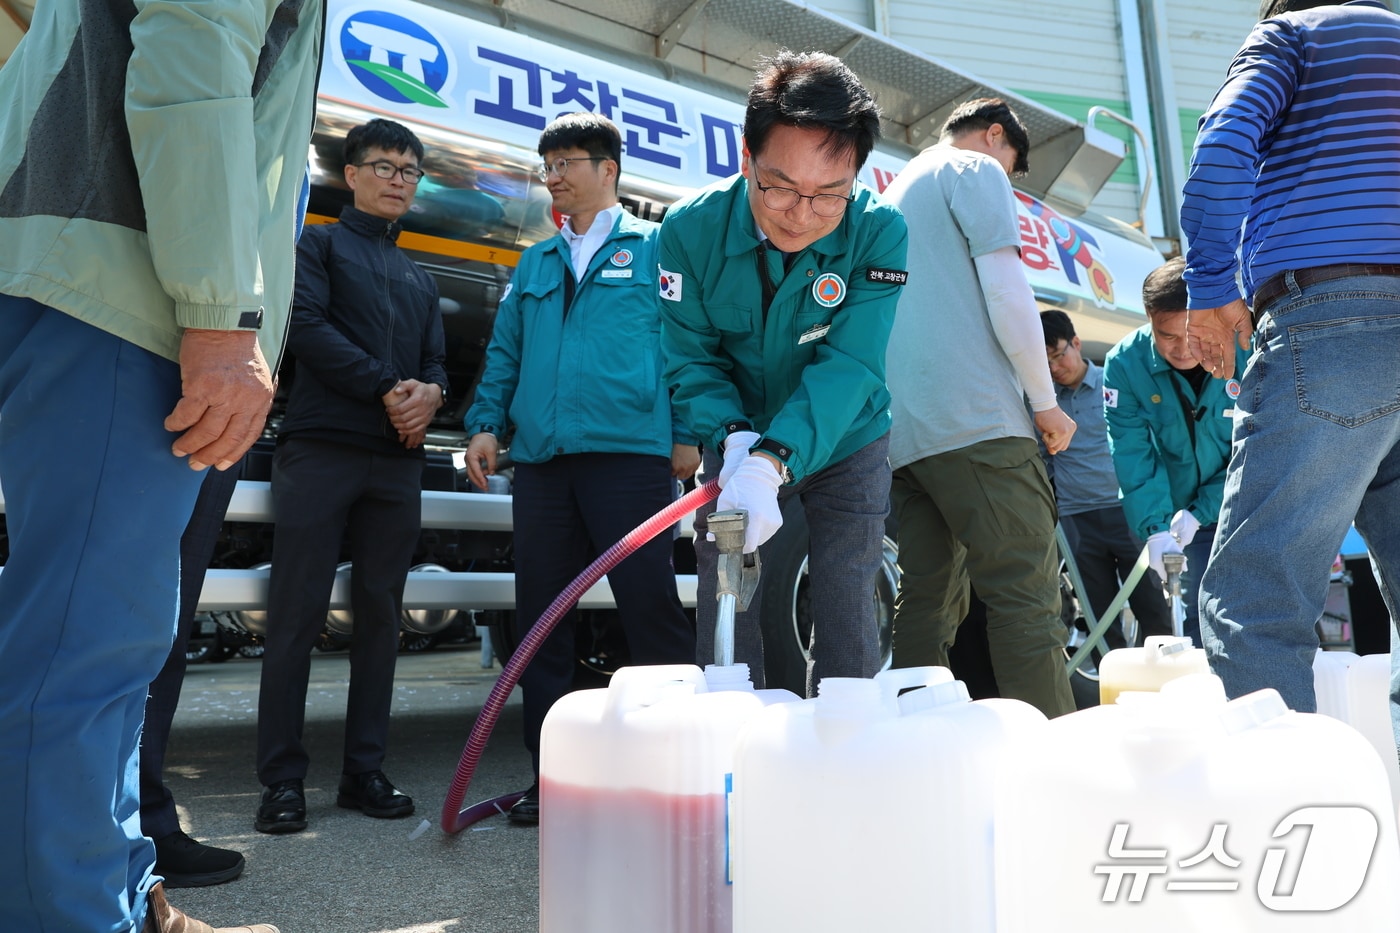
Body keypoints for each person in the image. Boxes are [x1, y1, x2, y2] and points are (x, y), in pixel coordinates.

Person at [0, 0, 320, 929]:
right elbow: (193, 56)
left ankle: (116, 890)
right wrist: (221, 310)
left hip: (93, 274)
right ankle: (66, 912)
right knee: (84, 643)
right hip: (121, 287)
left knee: (113, 638)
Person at [463, 112, 699, 824]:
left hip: (629, 459)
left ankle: (671, 772)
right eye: (549, 165)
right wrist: (484, 421)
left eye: (568, 162)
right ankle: (553, 779)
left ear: (609, 170)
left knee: (650, 614)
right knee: (542, 622)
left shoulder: (657, 249)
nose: (555, 176)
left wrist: (686, 431)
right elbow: (505, 350)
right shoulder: (534, 263)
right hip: (541, 465)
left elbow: (687, 345)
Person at [658, 50, 908, 696]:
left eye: (829, 193)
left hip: (848, 434)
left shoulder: (880, 233)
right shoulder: (689, 230)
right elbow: (690, 353)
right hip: (738, 430)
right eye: (780, 186)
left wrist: (776, 457)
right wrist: (738, 438)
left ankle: (844, 731)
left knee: (845, 580)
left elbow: (851, 362)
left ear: (857, 173)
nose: (802, 212)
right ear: (746, 158)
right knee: (726, 573)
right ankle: (729, 722)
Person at [1180, 0, 1400, 725]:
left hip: (1331, 324)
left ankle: (1287, 818)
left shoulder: (1291, 34)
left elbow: (1224, 141)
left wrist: (1211, 287)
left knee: (1254, 601)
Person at [254, 119, 448, 834]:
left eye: (410, 169)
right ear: (352, 172)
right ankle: (281, 779)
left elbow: (434, 365)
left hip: (396, 461)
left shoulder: (419, 277)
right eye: (386, 165)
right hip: (321, 448)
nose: (399, 178)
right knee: (296, 614)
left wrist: (429, 395)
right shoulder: (318, 244)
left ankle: (363, 770)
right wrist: (387, 389)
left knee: (380, 619)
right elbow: (302, 325)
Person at [883, 98, 1077, 719]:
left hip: (905, 437)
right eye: (1013, 163)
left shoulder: (895, 190)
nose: (1009, 174)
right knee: (1027, 597)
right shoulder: (974, 170)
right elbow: (1008, 290)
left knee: (926, 600)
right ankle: (1055, 766)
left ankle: (918, 754)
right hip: (979, 424)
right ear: (995, 136)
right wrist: (1045, 404)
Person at [1102, 257, 1247, 648]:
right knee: (1203, 620)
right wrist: (1155, 528)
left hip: (1253, 502)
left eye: (1191, 333)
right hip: (1182, 522)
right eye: (1168, 337)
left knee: (1265, 612)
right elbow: (1132, 451)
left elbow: (1260, 444)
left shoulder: (1246, 345)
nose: (1183, 350)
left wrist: (1203, 509)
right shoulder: (1124, 365)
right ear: (1148, 316)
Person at [1041, 310, 1174, 650]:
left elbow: (1150, 442)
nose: (1056, 368)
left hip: (1126, 512)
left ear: (1076, 343)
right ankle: (1113, 690)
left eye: (1059, 356)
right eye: (1047, 363)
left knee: (1152, 607)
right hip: (1076, 520)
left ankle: (1165, 686)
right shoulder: (1042, 402)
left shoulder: (1113, 382)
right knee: (1099, 618)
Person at [142, 465, 245, 886]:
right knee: (89, 618)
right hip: (113, 411)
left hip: (216, 427)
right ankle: (63, 826)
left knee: (165, 633)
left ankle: (143, 822)